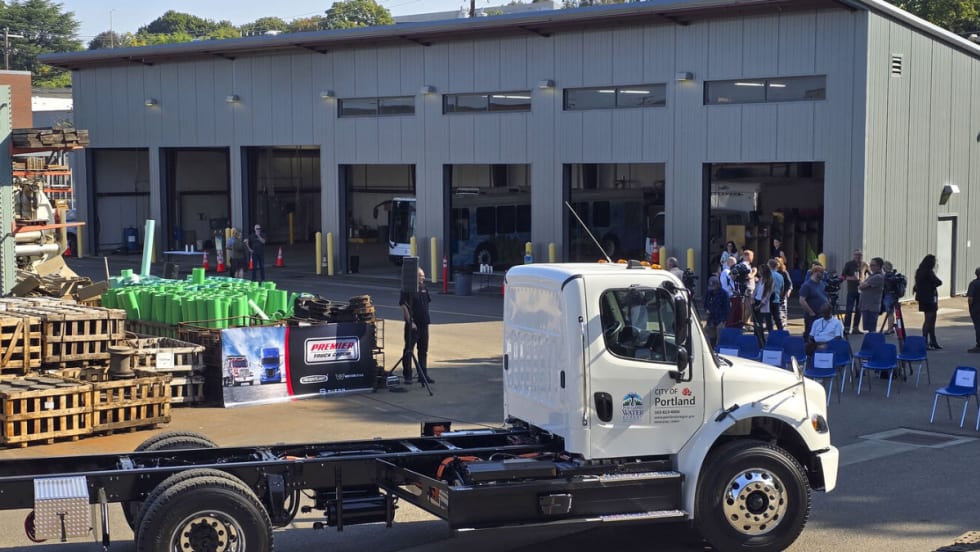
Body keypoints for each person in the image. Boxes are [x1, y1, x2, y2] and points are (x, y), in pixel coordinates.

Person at [400, 267, 433, 385]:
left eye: (423, 276)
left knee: (423, 350)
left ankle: (423, 375)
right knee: (409, 350)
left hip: (424, 324)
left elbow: (427, 303)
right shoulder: (407, 289)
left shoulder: (424, 287)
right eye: (420, 276)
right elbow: (403, 306)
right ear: (414, 276)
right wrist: (410, 322)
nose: (423, 278)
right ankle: (407, 375)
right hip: (413, 325)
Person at [913, 254, 943, 350]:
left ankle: (932, 341)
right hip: (930, 298)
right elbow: (939, 282)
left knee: (930, 320)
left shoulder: (919, 272)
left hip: (923, 298)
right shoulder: (928, 272)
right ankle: (926, 341)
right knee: (930, 320)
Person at [841, 249, 868, 335]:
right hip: (851, 290)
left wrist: (866, 282)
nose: (858, 256)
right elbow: (843, 276)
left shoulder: (864, 264)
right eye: (856, 255)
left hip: (861, 291)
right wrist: (851, 278)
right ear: (853, 255)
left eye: (860, 255)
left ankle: (855, 328)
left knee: (859, 310)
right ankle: (846, 328)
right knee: (849, 309)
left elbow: (871, 274)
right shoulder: (849, 264)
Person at [798, 262, 828, 338]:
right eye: (821, 273)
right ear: (815, 272)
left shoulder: (822, 283)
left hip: (822, 315)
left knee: (821, 335)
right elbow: (802, 300)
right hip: (813, 316)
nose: (823, 275)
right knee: (810, 335)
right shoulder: (807, 285)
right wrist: (811, 312)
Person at [858, 257, 885, 334]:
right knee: (868, 328)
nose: (871, 267)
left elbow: (861, 286)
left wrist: (862, 272)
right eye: (870, 265)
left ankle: (872, 343)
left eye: (873, 265)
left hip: (871, 306)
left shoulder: (878, 277)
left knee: (871, 329)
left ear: (879, 266)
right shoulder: (873, 275)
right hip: (867, 305)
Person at [752, 264, 775, 347]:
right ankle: (757, 341)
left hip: (763, 304)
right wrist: (752, 298)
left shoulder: (770, 281)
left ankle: (764, 342)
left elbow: (767, 295)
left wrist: (760, 305)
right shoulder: (761, 279)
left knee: (764, 324)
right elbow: (756, 290)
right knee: (757, 324)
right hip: (756, 301)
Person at [703, 276, 730, 346]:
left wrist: (723, 321)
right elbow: (705, 304)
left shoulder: (724, 294)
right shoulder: (708, 293)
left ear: (718, 285)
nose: (713, 290)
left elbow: (727, 309)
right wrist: (706, 310)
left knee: (719, 338)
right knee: (709, 336)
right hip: (711, 318)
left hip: (720, 318)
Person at [767, 258, 785, 331]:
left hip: (767, 299)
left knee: (768, 318)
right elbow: (782, 288)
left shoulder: (767, 275)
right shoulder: (780, 276)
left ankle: (770, 332)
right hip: (776, 298)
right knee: (777, 317)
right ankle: (780, 332)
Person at [774, 257, 792, 330]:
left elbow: (789, 283)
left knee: (783, 309)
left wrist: (788, 291)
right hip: (775, 294)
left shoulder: (784, 272)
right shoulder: (773, 272)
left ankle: (783, 324)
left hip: (782, 293)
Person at [880, 260, 898, 334]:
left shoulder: (887, 276)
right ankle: (890, 327)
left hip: (888, 295)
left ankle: (890, 328)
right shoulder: (893, 275)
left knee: (889, 312)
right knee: (891, 312)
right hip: (893, 295)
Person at [968, 267, 980, 353]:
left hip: (976, 308)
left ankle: (979, 345)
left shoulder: (973, 284)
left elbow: (970, 298)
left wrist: (970, 307)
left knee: (978, 326)